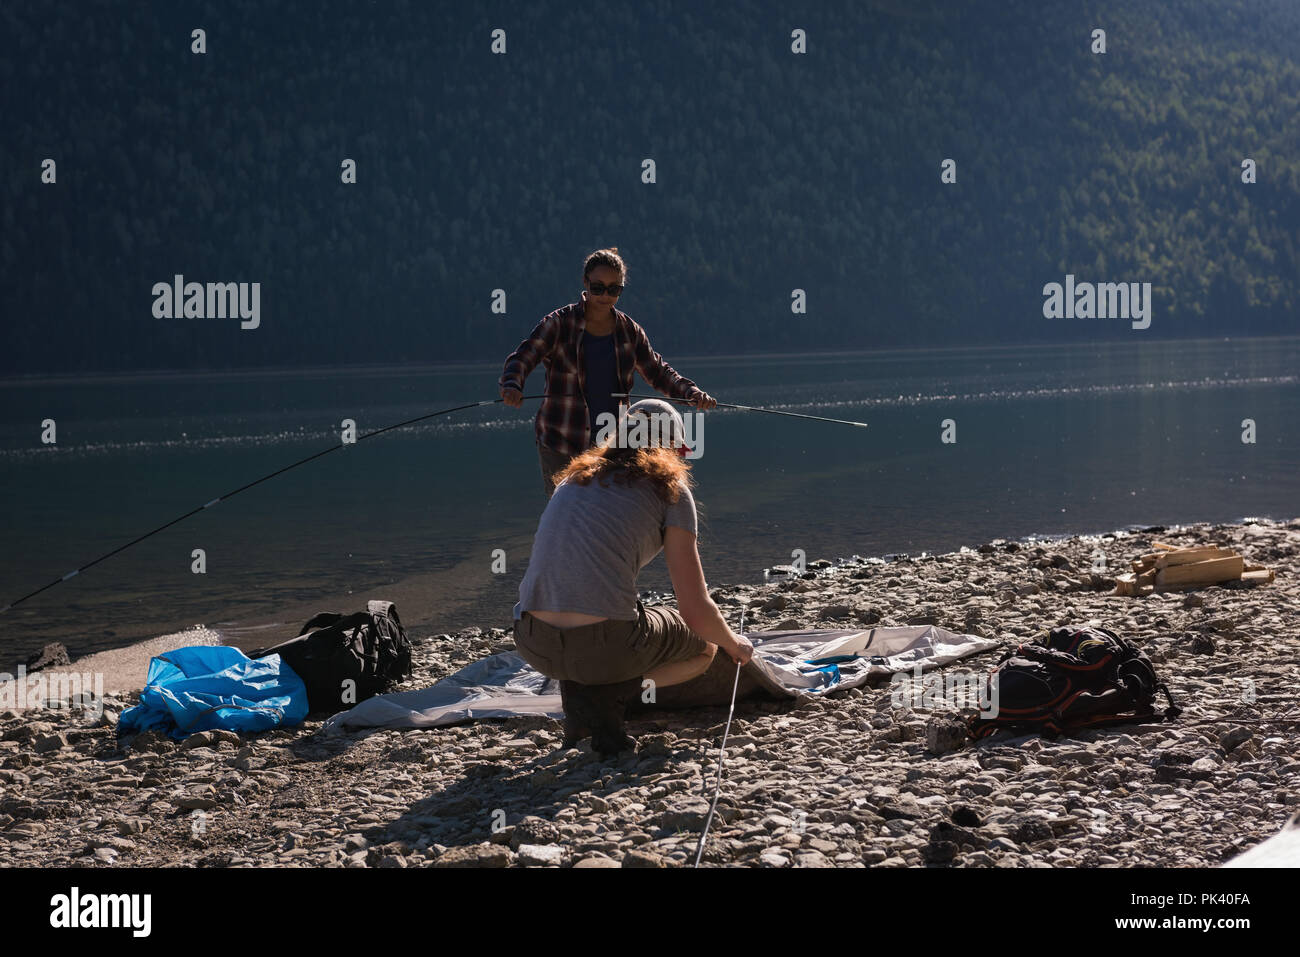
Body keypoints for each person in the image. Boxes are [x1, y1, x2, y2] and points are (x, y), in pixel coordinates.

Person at [512, 399, 754, 713]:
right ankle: (613, 692)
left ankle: (583, 692)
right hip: (606, 649)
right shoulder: (671, 492)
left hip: (534, 643)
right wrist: (734, 643)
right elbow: (695, 611)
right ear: (673, 449)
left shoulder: (573, 479)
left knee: (615, 621)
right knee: (704, 647)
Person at [499, 247, 718, 497]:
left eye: (614, 289)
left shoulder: (629, 331)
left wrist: (691, 393)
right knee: (566, 518)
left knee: (606, 517)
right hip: (561, 440)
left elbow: (658, 372)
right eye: (598, 287)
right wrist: (512, 385)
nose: (605, 295)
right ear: (585, 283)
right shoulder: (559, 323)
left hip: (611, 444)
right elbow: (523, 357)